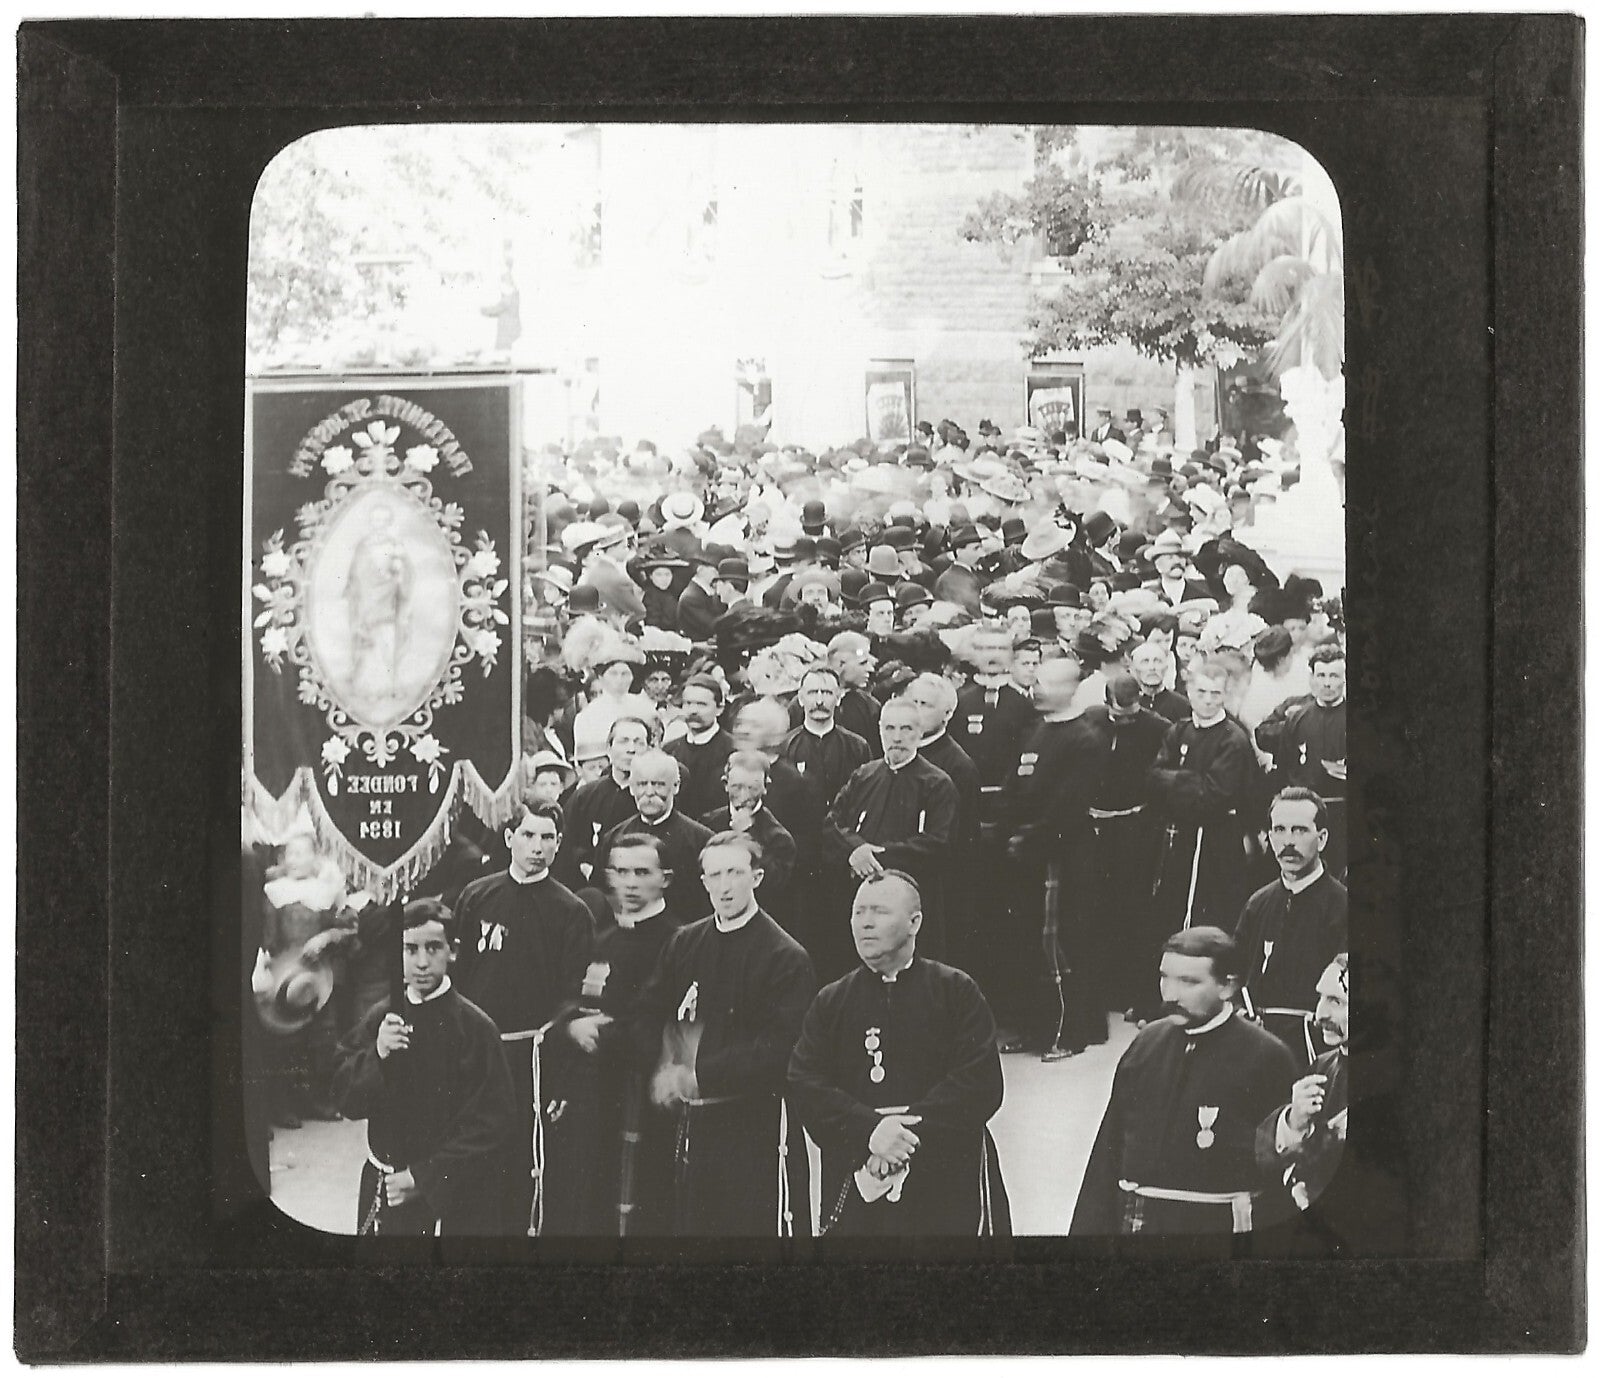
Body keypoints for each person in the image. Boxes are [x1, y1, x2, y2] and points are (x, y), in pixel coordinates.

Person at [788, 870, 1011, 1238]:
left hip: (945, 1173)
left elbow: (979, 1083)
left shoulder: (955, 991)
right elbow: (806, 1082)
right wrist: (870, 1131)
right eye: (858, 912)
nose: (865, 923)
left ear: (915, 922)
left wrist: (900, 1139)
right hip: (860, 1169)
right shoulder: (831, 1000)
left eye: (879, 911)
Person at [629, 833, 817, 1236]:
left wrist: (700, 1075)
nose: (725, 885)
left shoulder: (785, 956)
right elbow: (648, 1011)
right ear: (703, 883)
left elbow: (779, 1048)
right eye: (714, 875)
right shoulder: (684, 942)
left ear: (757, 877)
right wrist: (661, 1065)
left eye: (735, 872)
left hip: (751, 1128)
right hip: (690, 1123)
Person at [1071, 927, 1299, 1236]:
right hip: (1136, 1224)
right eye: (1165, 977)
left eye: (1188, 982)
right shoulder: (1147, 1043)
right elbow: (1108, 1151)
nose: (1170, 994)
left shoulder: (1268, 1057)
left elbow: (1282, 1168)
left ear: (1227, 986)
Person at [333, 898, 519, 1237]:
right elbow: (347, 1100)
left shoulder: (475, 1028)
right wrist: (378, 1055)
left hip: (453, 1195)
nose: (421, 962)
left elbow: (494, 1122)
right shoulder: (381, 1018)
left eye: (433, 948)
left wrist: (424, 1178)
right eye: (410, 949)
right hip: (387, 1184)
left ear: (453, 951)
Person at [453, 802, 597, 1235]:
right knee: (470, 1159)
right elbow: (458, 979)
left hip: (533, 1060)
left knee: (522, 1165)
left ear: (558, 846)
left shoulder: (572, 912)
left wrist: (560, 1074)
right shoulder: (476, 896)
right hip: (477, 1054)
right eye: (529, 835)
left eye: (548, 838)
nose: (537, 847)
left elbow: (572, 1000)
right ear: (509, 837)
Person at [553, 833, 684, 1235]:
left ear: (665, 878)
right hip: (598, 1095)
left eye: (641, 872)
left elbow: (657, 1022)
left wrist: (600, 1035)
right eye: (621, 871)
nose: (629, 882)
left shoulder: (678, 940)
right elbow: (574, 998)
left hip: (647, 1097)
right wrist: (572, 1026)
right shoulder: (603, 936)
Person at [1001, 658, 1110, 1058]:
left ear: (1069, 687)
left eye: (1046, 682)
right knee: (1028, 942)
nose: (1036, 688)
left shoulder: (1086, 738)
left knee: (1060, 944)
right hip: (1029, 855)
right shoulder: (1036, 731)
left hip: (1061, 857)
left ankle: (1069, 1032)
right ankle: (1035, 1028)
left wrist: (1032, 837)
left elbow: (1069, 803)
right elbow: (1017, 785)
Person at [820, 699, 960, 981]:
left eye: (906, 729)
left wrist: (874, 858)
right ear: (880, 731)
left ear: (920, 733)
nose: (897, 737)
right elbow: (831, 825)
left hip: (913, 899)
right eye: (890, 728)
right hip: (859, 896)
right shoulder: (863, 775)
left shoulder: (937, 784)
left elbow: (938, 843)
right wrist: (855, 850)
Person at [1077, 673, 1171, 1024]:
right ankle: (1102, 991)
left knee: (1133, 909)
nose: (1125, 720)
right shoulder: (1091, 719)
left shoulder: (1158, 727)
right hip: (1094, 823)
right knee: (1096, 908)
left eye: (1131, 713)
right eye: (1119, 714)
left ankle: (1134, 991)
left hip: (1135, 827)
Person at [1233, 788, 1349, 1066]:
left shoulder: (1343, 907)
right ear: (1270, 837)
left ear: (1321, 839)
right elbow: (1234, 973)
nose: (1288, 841)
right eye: (1280, 830)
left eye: (1299, 831)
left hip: (1315, 1050)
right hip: (1255, 1045)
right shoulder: (1257, 903)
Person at [1147, 659, 1261, 934]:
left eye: (1215, 694)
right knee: (1172, 903)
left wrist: (1175, 782)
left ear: (1225, 695)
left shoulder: (1233, 739)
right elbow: (1152, 779)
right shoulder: (1179, 730)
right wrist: (1188, 783)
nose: (1208, 701)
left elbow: (1213, 796)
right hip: (1181, 835)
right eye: (1201, 693)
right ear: (1189, 692)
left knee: (1213, 909)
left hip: (1218, 839)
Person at [258, 831, 356, 1125]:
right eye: (291, 854)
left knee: (323, 1039)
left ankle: (318, 1100)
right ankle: (286, 1105)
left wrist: (326, 937)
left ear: (316, 857)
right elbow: (265, 936)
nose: (297, 860)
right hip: (284, 974)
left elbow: (349, 929)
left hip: (319, 976)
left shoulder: (326, 891)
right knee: (286, 1042)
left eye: (303, 853)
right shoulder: (274, 892)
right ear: (283, 859)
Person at [1255, 953, 1349, 1214]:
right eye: (1320, 998)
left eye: (1336, 1001)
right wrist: (1294, 1121)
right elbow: (1269, 1162)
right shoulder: (1322, 1067)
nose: (1320, 1014)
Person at [591, 749, 714, 928]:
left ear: (676, 786)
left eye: (658, 784)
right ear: (631, 788)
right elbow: (602, 895)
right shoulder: (614, 837)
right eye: (641, 784)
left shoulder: (700, 840)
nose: (649, 792)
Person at [700, 751, 799, 928]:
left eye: (752, 788)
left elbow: (772, 888)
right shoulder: (707, 823)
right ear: (725, 784)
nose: (744, 795)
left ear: (765, 786)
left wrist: (748, 833)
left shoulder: (779, 839)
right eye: (737, 787)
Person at [552, 715, 651, 890]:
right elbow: (566, 843)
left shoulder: (654, 798)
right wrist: (585, 866)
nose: (631, 749)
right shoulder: (585, 796)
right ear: (609, 748)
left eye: (638, 742)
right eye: (623, 741)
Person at [1280, 645, 1348, 879]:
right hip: (1305, 818)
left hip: (1345, 816)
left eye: (1334, 676)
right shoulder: (1297, 719)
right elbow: (1284, 771)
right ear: (1311, 679)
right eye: (1321, 675)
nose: (1327, 683)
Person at [780, 665, 874, 805]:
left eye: (827, 693)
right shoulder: (785, 746)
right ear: (800, 698)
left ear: (838, 698)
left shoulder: (858, 747)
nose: (819, 701)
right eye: (812, 693)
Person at [663, 674, 736, 822]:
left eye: (702, 704)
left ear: (720, 709)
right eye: (688, 703)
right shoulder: (669, 751)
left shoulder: (734, 751)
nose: (693, 710)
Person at [826, 630, 883, 749]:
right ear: (841, 664)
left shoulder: (871, 707)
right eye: (862, 663)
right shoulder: (804, 703)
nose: (870, 669)